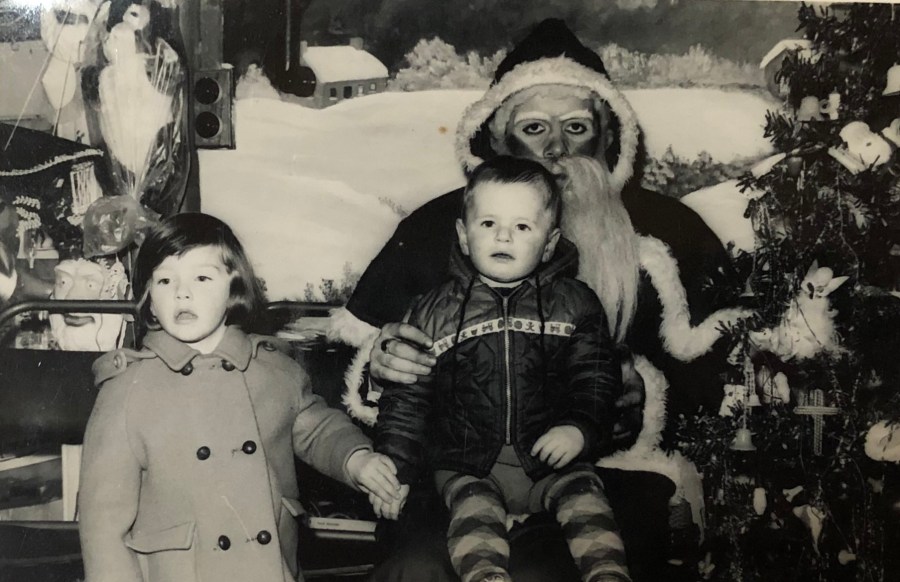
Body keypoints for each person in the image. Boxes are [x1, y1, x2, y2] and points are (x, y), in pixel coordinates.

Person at [327, 18, 744, 582]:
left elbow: (727, 385)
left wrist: (642, 395)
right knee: (418, 570)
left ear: (607, 135)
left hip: (607, 476)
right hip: (456, 477)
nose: (554, 147)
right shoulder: (432, 229)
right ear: (497, 137)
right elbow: (344, 378)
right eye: (533, 128)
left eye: (575, 126)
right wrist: (379, 368)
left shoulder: (672, 231)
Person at [77, 213, 404, 582]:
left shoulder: (272, 370)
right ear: (150, 300)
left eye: (202, 277)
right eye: (165, 280)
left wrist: (356, 459)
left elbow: (319, 430)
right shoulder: (127, 388)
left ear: (233, 290)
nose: (182, 292)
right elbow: (101, 518)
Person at [374, 157, 630, 582]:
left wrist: (580, 428)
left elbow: (597, 378)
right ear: (463, 235)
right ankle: (486, 576)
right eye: (488, 223)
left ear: (550, 243)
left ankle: (608, 574)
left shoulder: (577, 303)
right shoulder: (433, 310)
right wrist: (393, 471)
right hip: (467, 463)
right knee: (473, 512)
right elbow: (406, 400)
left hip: (553, 461)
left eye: (523, 227)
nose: (503, 235)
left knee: (587, 503)